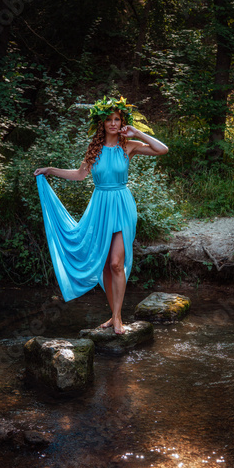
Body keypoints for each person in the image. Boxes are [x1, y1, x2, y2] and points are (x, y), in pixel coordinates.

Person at [33, 96, 168, 334]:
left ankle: (117, 318)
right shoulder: (94, 150)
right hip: (100, 206)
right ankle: (114, 316)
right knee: (106, 265)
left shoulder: (128, 147)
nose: (114, 123)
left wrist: (136, 132)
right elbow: (79, 174)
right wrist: (50, 170)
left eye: (117, 119)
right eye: (109, 120)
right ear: (102, 124)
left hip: (122, 205)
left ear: (122, 122)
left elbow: (162, 149)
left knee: (117, 263)